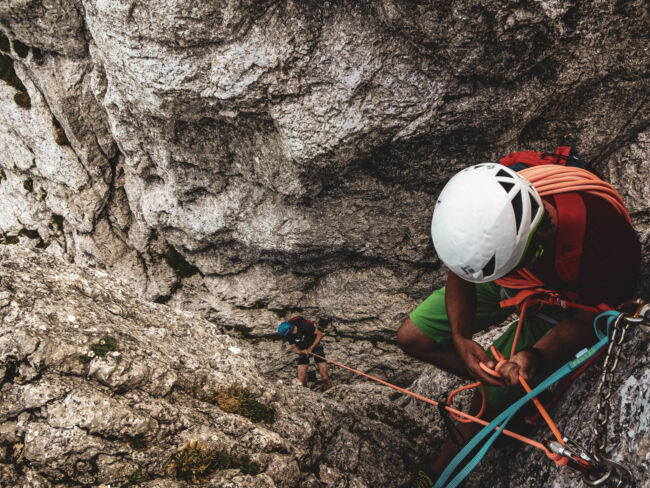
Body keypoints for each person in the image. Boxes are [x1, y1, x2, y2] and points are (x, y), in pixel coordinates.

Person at [396, 160, 641, 487]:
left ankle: (438, 471)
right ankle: (495, 384)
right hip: (502, 270)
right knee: (411, 338)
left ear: (544, 233)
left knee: (487, 402)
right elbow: (463, 266)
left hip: (565, 296)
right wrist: (460, 336)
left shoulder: (608, 246)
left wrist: (534, 356)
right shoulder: (498, 190)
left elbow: (589, 318)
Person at [278, 316, 333, 390]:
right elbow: (295, 348)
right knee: (301, 380)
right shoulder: (288, 336)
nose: (289, 337)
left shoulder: (305, 326)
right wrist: (302, 351)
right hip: (303, 349)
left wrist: (311, 348)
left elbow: (320, 334)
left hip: (315, 345)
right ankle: (307, 395)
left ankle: (329, 389)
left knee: (325, 377)